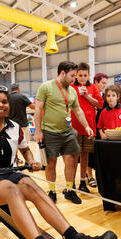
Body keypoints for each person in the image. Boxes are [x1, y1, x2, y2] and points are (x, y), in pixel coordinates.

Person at [0, 85, 118, 239]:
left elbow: (25, 150)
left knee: (30, 185)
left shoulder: (15, 127)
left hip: (9, 175)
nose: (0, 105)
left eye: (4, 102)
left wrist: (31, 160)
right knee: (12, 190)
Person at [34, 61, 94, 205]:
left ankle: (69, 190)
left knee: (71, 161)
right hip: (50, 132)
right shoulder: (46, 87)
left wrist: (86, 126)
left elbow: (78, 110)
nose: (74, 79)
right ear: (62, 73)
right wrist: (38, 131)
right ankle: (52, 191)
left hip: (68, 132)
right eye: (72, 76)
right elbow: (37, 110)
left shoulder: (72, 90)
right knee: (51, 164)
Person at [70, 62, 103, 193]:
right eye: (80, 75)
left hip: (90, 127)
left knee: (85, 156)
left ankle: (83, 181)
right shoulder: (71, 87)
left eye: (85, 75)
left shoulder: (93, 88)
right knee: (74, 156)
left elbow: (100, 105)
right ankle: (70, 182)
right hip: (74, 127)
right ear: (76, 76)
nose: (83, 78)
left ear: (89, 75)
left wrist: (86, 96)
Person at [87, 72, 109, 188]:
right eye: (102, 83)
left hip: (100, 129)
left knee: (97, 153)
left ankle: (98, 175)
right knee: (88, 152)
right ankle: (89, 176)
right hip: (89, 127)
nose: (104, 85)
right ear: (96, 82)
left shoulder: (104, 96)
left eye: (106, 83)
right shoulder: (88, 94)